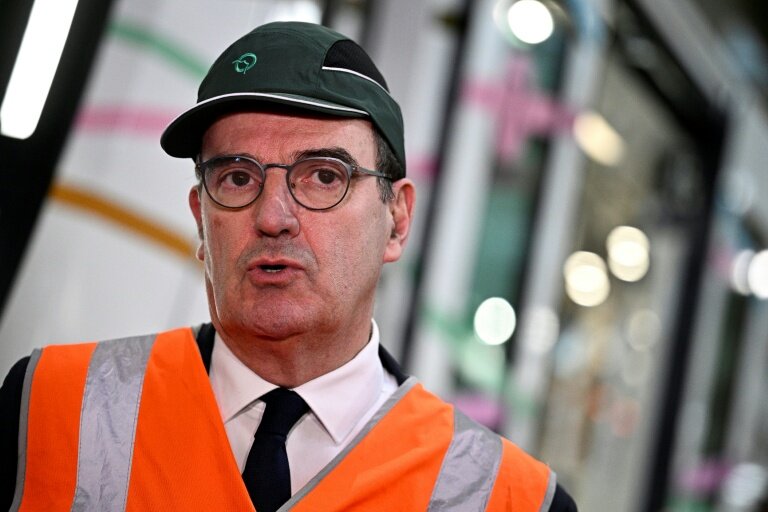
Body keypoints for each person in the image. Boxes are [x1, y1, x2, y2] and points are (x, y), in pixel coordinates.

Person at [0, 21, 577, 511]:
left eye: (325, 175)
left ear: (396, 220)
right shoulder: (48, 407)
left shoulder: (506, 497)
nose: (273, 216)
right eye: (238, 177)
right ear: (203, 219)